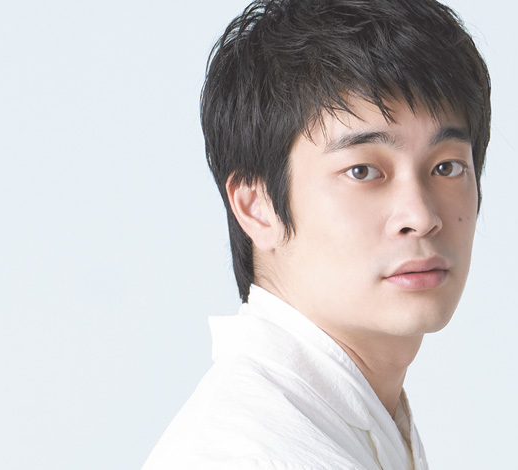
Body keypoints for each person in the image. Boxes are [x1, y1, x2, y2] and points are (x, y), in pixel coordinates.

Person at [144, 0, 490, 468]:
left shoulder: (353, 425)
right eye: (363, 170)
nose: (421, 216)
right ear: (257, 206)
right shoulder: (245, 454)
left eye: (446, 167)